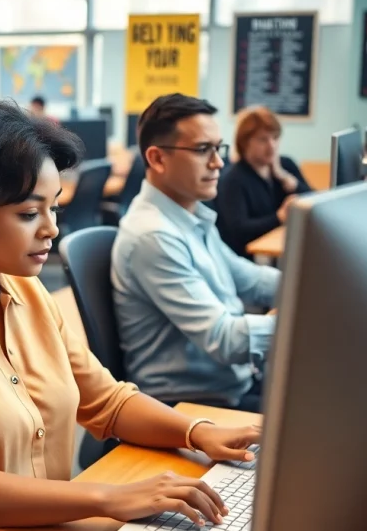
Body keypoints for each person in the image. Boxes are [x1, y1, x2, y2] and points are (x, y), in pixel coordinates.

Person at [0, 97, 259, 531]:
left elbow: (107, 401)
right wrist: (110, 498)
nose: (52, 228)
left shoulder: (28, 292)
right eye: (28, 213)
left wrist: (198, 431)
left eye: (53, 207)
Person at [111, 94, 281, 414]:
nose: (218, 162)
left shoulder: (190, 215)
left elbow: (251, 280)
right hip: (192, 405)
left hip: (230, 385)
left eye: (219, 149)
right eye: (204, 150)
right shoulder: (154, 235)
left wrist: (315, 287)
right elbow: (225, 340)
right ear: (158, 159)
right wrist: (303, 319)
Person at [216, 106, 312, 258]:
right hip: (250, 258)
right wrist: (279, 217)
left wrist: (290, 181)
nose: (272, 145)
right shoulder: (232, 179)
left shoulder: (285, 165)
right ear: (245, 143)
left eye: (275, 138)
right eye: (263, 139)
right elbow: (239, 230)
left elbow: (314, 204)